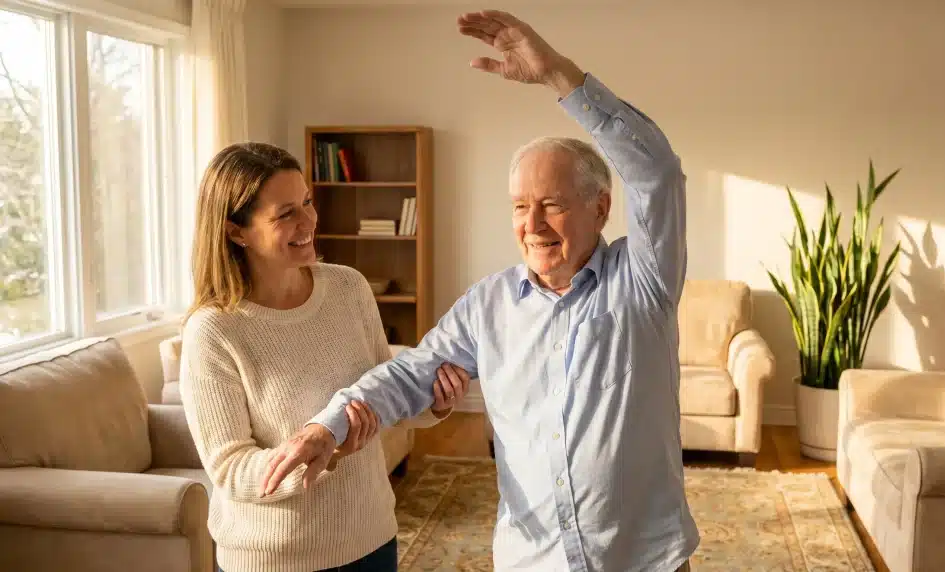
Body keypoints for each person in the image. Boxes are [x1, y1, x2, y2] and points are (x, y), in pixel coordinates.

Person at [262, 9, 700, 572]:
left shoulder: (643, 282)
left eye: (554, 205)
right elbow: (411, 371)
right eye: (521, 207)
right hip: (531, 559)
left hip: (640, 561)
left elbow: (657, 172)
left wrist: (558, 75)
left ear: (601, 208)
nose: (533, 225)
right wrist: (330, 424)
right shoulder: (490, 304)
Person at [178, 141, 471, 572]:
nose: (309, 221)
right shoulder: (214, 331)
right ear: (236, 231)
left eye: (308, 202)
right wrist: (325, 452)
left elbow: (386, 395)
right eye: (285, 213)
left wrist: (435, 404)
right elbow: (230, 469)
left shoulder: (348, 288)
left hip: (371, 539)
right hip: (274, 560)